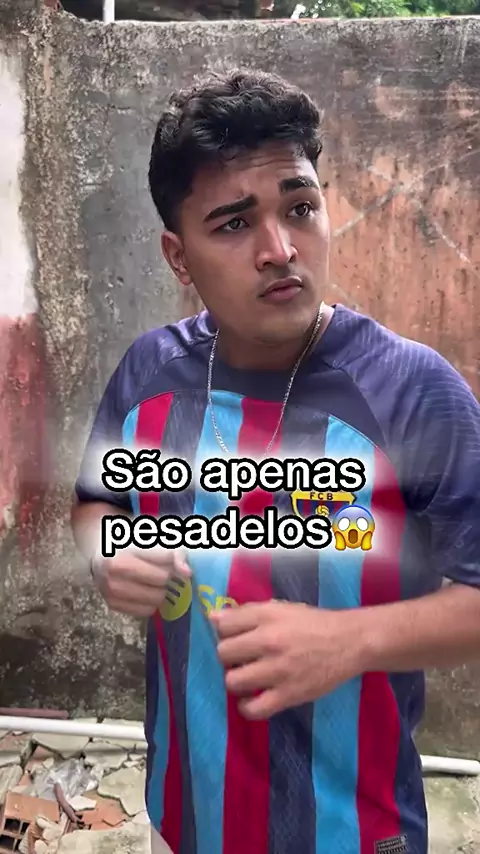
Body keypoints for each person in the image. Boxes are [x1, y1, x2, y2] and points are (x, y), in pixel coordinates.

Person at [71, 68, 480, 854]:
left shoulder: (413, 392)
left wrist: (353, 641)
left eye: (299, 207)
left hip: (355, 833)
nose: (280, 250)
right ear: (178, 256)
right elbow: (95, 503)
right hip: (184, 820)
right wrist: (106, 553)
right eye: (233, 223)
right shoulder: (148, 374)